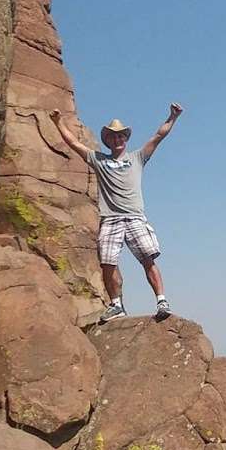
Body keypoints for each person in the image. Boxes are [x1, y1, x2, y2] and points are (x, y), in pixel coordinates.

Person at [49, 103, 184, 321]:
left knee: (147, 260)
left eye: (120, 136)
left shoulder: (137, 157)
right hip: (110, 220)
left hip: (134, 218)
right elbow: (73, 143)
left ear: (125, 139)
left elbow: (159, 136)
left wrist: (173, 117)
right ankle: (116, 304)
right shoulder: (98, 160)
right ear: (108, 140)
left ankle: (161, 300)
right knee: (107, 263)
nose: (117, 140)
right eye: (113, 137)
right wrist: (58, 122)